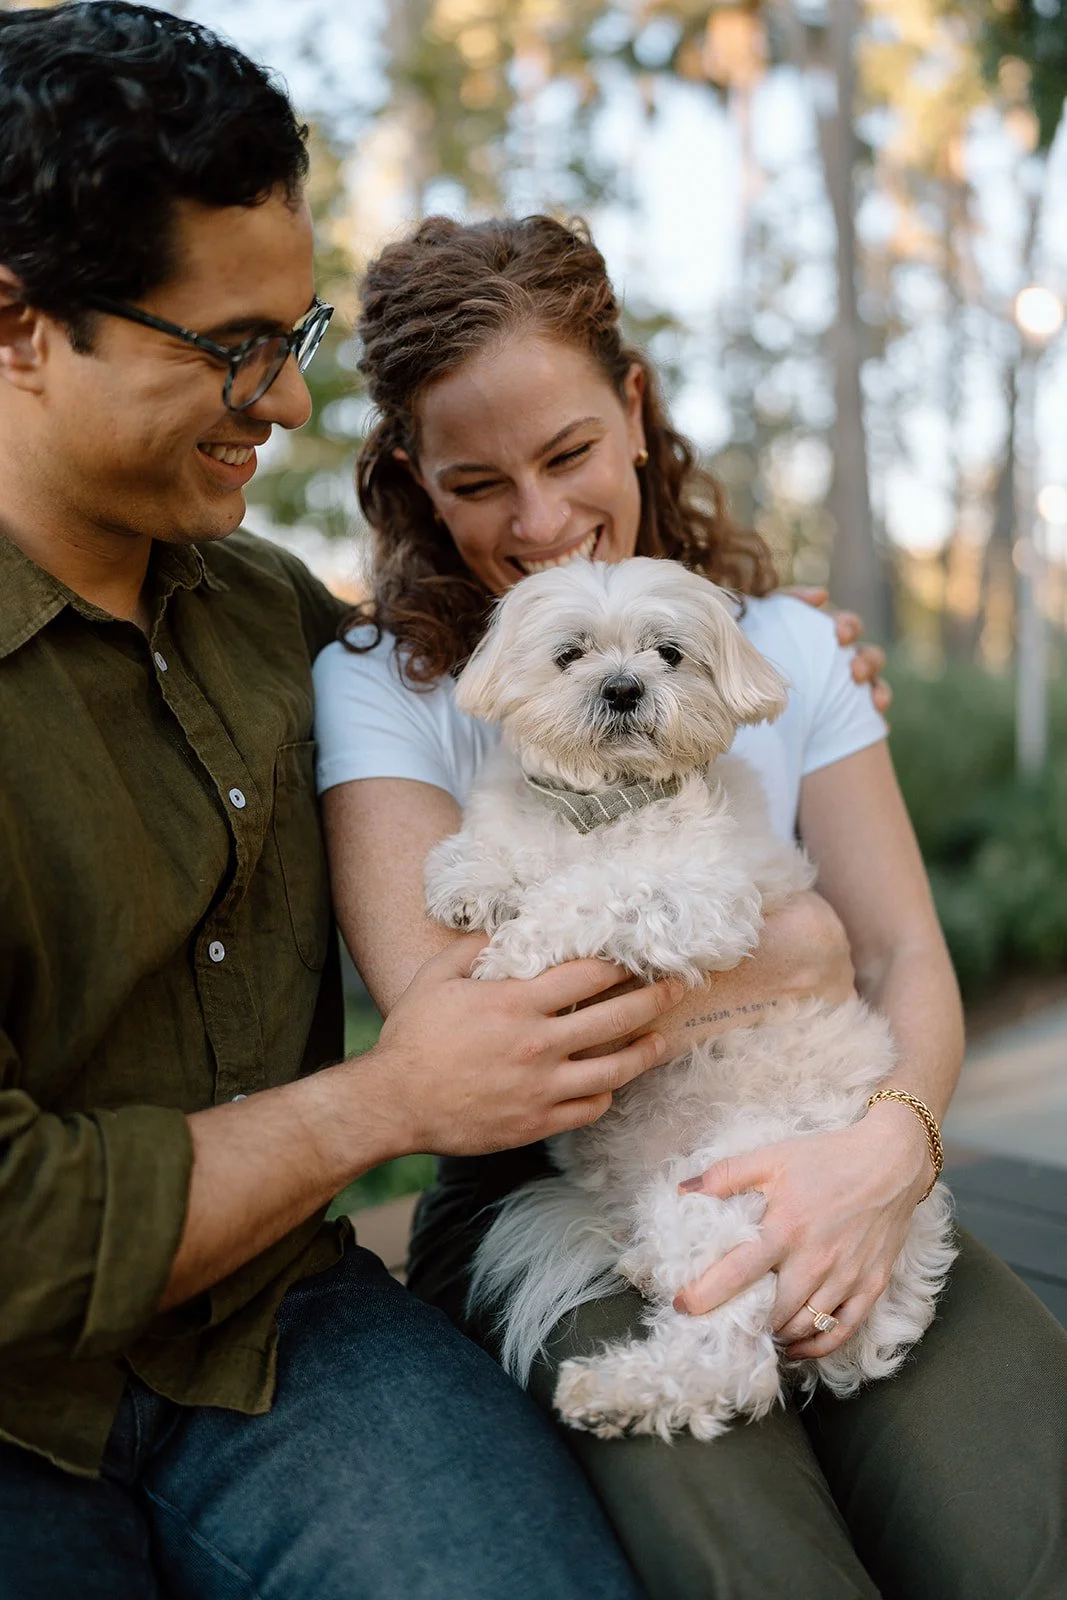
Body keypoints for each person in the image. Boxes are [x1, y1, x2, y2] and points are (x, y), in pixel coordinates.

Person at [0, 8, 688, 1597]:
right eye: (229, 346)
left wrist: (780, 651)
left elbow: (541, 691)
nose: (291, 402)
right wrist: (384, 1103)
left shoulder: (285, 628)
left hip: (281, 1326)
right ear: (20, 324)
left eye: (293, 334)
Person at [312, 212, 1067, 1599]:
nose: (540, 524)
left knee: (1018, 1530)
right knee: (742, 1555)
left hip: (832, 1127)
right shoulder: (381, 684)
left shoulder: (781, 645)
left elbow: (903, 952)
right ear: (413, 477)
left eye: (568, 454)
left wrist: (888, 1155)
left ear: (636, 410)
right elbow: (460, 1032)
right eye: (478, 482)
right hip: (548, 1179)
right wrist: (795, 952)